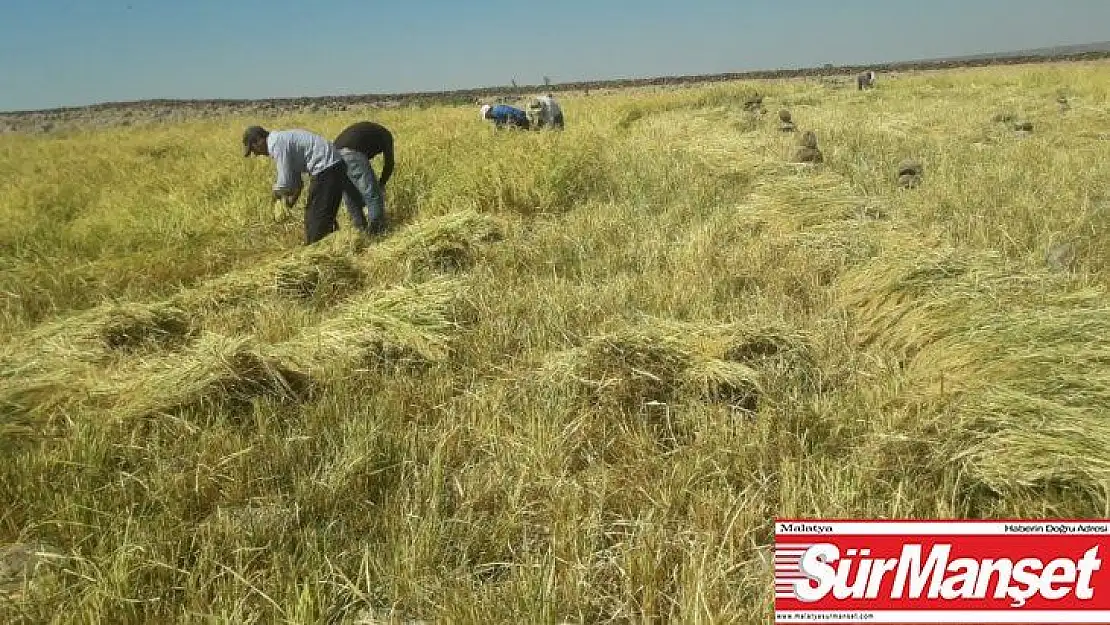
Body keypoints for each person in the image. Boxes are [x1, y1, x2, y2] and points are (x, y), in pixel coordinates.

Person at [242, 125, 366, 245]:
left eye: (253, 150)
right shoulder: (282, 141)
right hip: (332, 166)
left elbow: (284, 181)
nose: (256, 154)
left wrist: (275, 199)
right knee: (320, 212)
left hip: (327, 168)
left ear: (259, 140)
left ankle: (318, 249)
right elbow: (296, 182)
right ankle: (333, 242)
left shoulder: (277, 144)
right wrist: (290, 203)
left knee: (315, 217)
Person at [334, 121, 394, 235]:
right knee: (372, 194)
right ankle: (377, 232)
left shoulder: (370, 133)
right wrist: (381, 184)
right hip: (351, 152)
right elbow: (389, 163)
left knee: (350, 195)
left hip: (334, 155)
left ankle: (360, 231)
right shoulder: (387, 136)